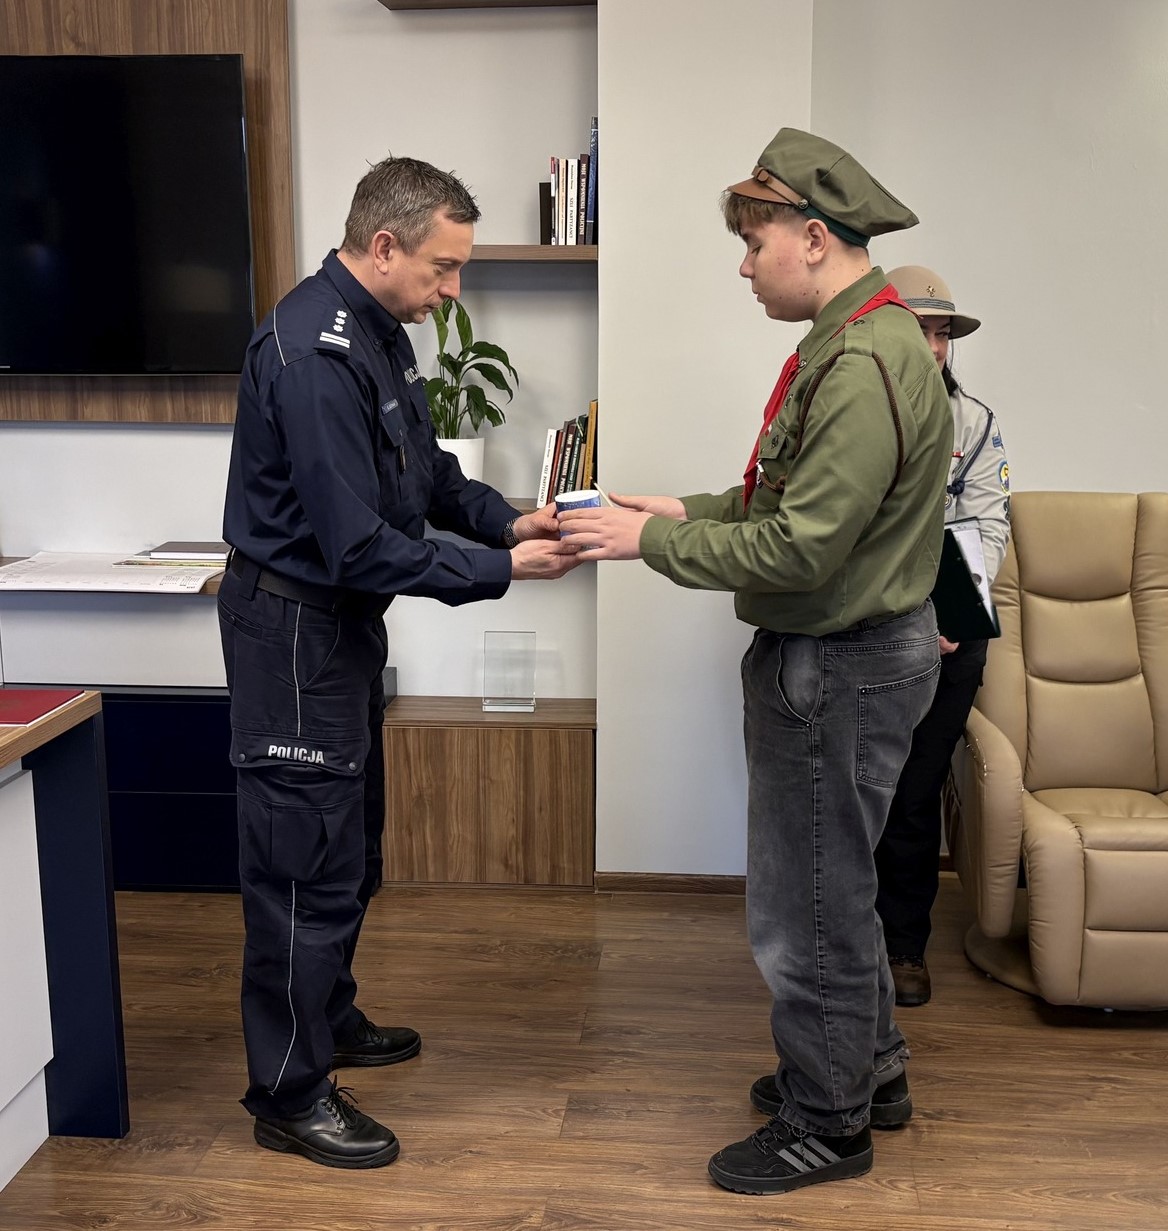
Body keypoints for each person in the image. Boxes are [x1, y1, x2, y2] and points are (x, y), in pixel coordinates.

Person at [560, 128, 952, 1194]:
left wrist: (644, 543)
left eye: (752, 242)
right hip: (854, 653)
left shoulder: (864, 360)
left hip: (840, 659)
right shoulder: (859, 340)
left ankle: (827, 1123)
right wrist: (674, 507)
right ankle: (865, 1071)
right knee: (840, 885)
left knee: (805, 905)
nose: (742, 265)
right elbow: (789, 501)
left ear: (813, 237)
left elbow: (801, 546)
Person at [219, 156, 578, 1169]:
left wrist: (508, 515)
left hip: (336, 629)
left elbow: (422, 473)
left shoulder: (377, 333)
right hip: (294, 629)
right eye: (443, 269)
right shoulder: (313, 354)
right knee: (301, 863)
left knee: (349, 844)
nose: (451, 291)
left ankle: (326, 1018)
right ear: (385, 245)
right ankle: (289, 1090)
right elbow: (357, 542)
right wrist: (502, 568)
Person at [872, 265, 1010, 1007]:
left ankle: (902, 947)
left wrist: (950, 620)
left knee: (913, 796)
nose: (932, 345)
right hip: (865, 633)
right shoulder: (849, 412)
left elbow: (989, 525)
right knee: (853, 795)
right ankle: (842, 950)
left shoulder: (976, 423)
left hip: (946, 634)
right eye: (919, 328)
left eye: (941, 332)